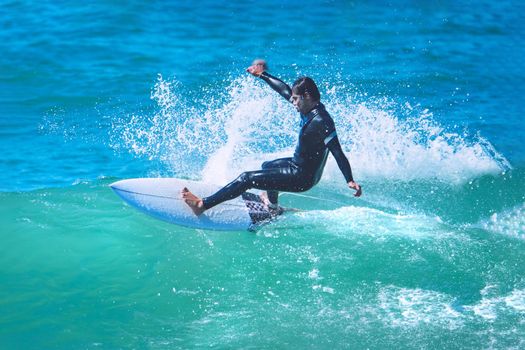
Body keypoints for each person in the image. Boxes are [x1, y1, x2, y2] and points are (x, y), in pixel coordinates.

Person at [182, 59, 362, 216]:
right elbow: (284, 90)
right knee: (268, 166)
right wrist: (262, 75)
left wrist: (349, 179)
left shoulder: (322, 120)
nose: (293, 102)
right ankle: (273, 207)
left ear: (307, 97)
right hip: (296, 165)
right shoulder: (307, 107)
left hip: (302, 178)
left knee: (247, 178)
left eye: (296, 99)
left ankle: (202, 205)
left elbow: (337, 152)